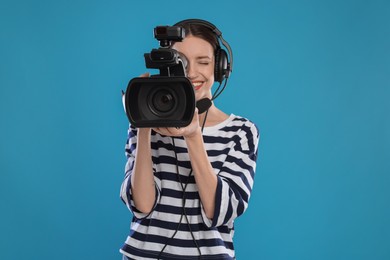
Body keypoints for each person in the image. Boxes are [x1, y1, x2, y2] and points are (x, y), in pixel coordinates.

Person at [120, 19, 260, 260]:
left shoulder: (241, 131)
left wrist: (193, 136)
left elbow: (221, 211)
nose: (192, 73)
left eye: (203, 62)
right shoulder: (143, 124)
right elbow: (141, 205)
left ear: (219, 68)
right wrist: (143, 121)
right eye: (181, 62)